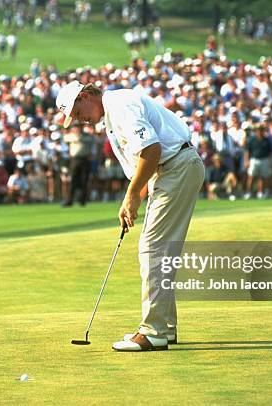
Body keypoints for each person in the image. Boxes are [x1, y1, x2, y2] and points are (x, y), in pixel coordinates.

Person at [56, 81, 205, 352]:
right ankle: (165, 327)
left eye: (78, 114)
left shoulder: (120, 105)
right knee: (160, 250)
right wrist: (134, 198)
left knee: (153, 248)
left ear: (86, 96)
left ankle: (154, 331)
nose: (82, 122)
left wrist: (132, 194)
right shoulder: (112, 115)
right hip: (171, 171)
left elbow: (152, 150)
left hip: (176, 168)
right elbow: (143, 162)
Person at [63, 123, 94, 206]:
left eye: (78, 127)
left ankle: (82, 200)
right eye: (75, 127)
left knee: (84, 180)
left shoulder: (87, 136)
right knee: (72, 180)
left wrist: (78, 137)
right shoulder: (71, 136)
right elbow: (65, 138)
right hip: (75, 160)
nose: (77, 129)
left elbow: (91, 139)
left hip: (85, 159)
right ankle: (69, 200)